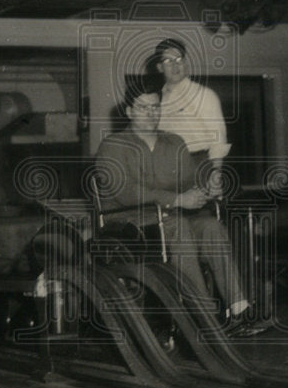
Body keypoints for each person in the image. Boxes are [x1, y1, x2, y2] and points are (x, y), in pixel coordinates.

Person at [95, 84, 269, 337]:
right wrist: (177, 200)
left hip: (170, 220)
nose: (151, 113)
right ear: (130, 111)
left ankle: (239, 308)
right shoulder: (112, 146)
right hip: (129, 225)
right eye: (144, 108)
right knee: (179, 227)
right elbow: (125, 192)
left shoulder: (174, 142)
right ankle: (204, 317)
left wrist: (206, 187)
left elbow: (189, 183)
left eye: (156, 107)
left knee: (210, 226)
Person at [153, 38, 230, 195]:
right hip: (166, 170)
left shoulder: (203, 95)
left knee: (201, 216)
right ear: (160, 67)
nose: (175, 66)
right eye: (168, 61)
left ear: (186, 62)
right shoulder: (156, 99)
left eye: (179, 59)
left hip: (198, 165)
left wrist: (215, 173)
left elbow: (218, 139)